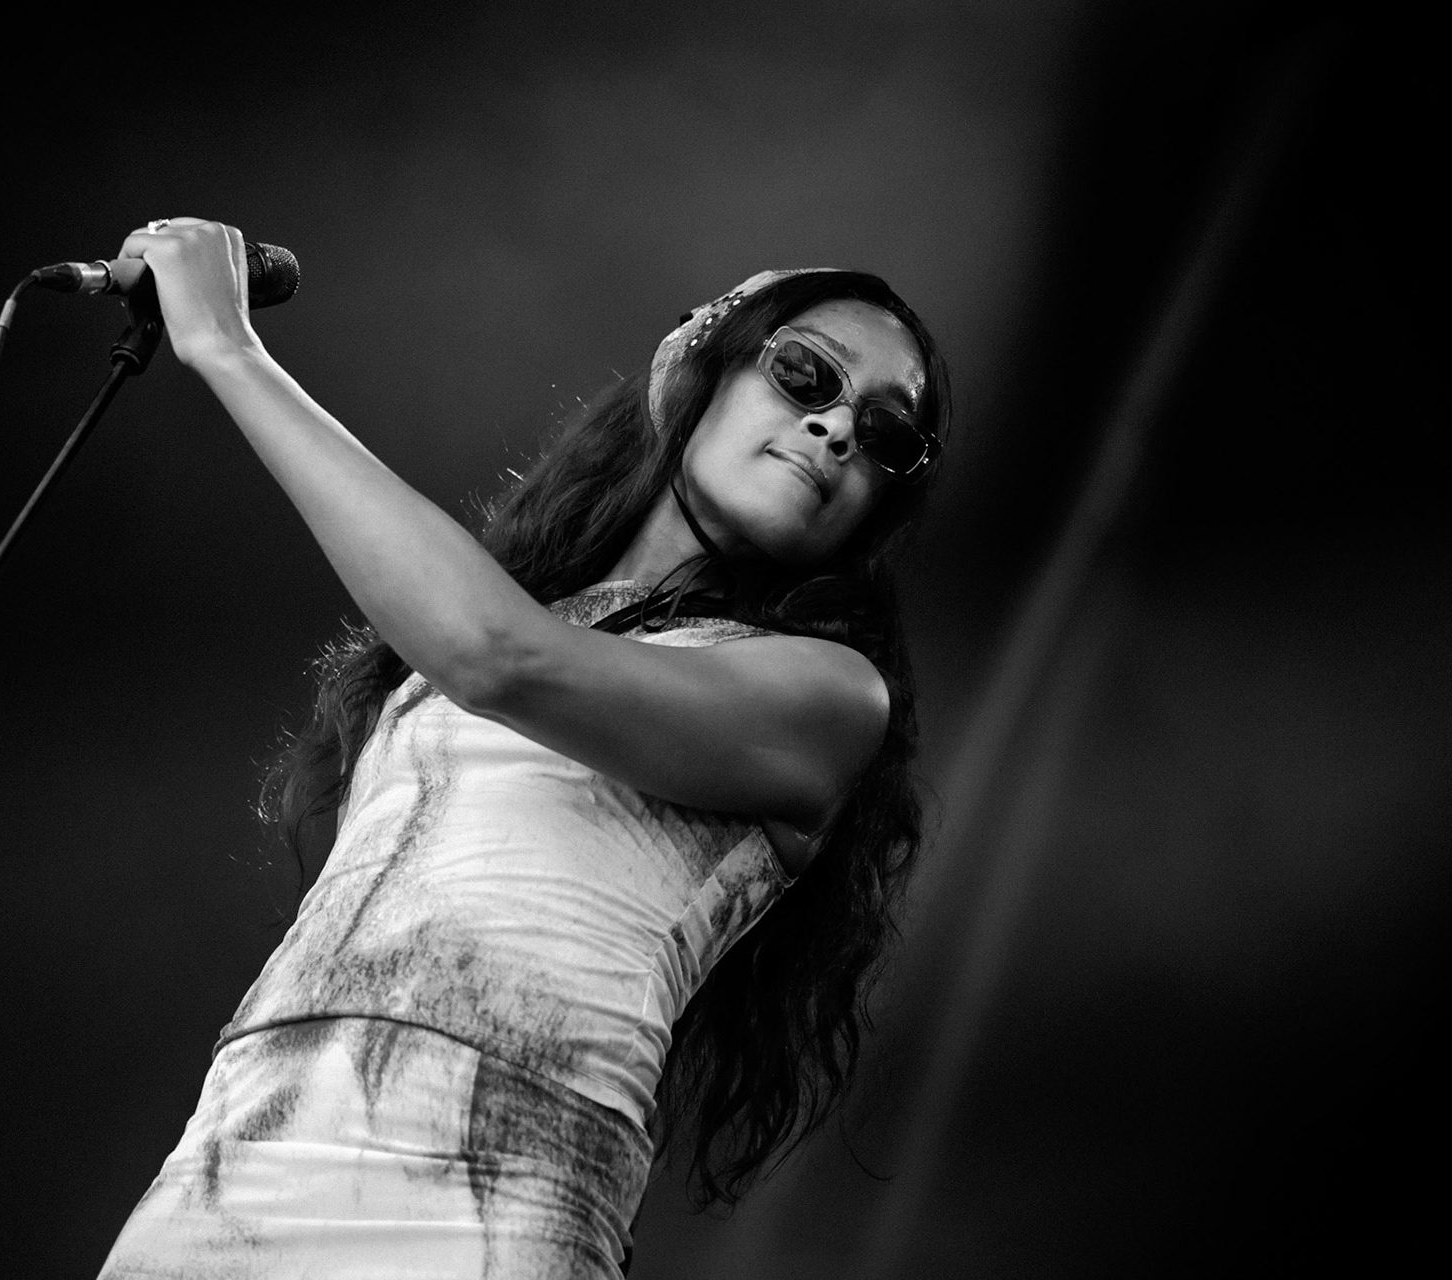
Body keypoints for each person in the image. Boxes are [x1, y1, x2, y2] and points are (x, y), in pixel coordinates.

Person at [96, 218, 949, 1280]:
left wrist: (230, 347)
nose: (834, 431)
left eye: (886, 436)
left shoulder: (825, 693)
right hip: (237, 1151)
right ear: (692, 363)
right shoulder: (522, 624)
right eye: (804, 373)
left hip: (493, 1183)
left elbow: (497, 654)